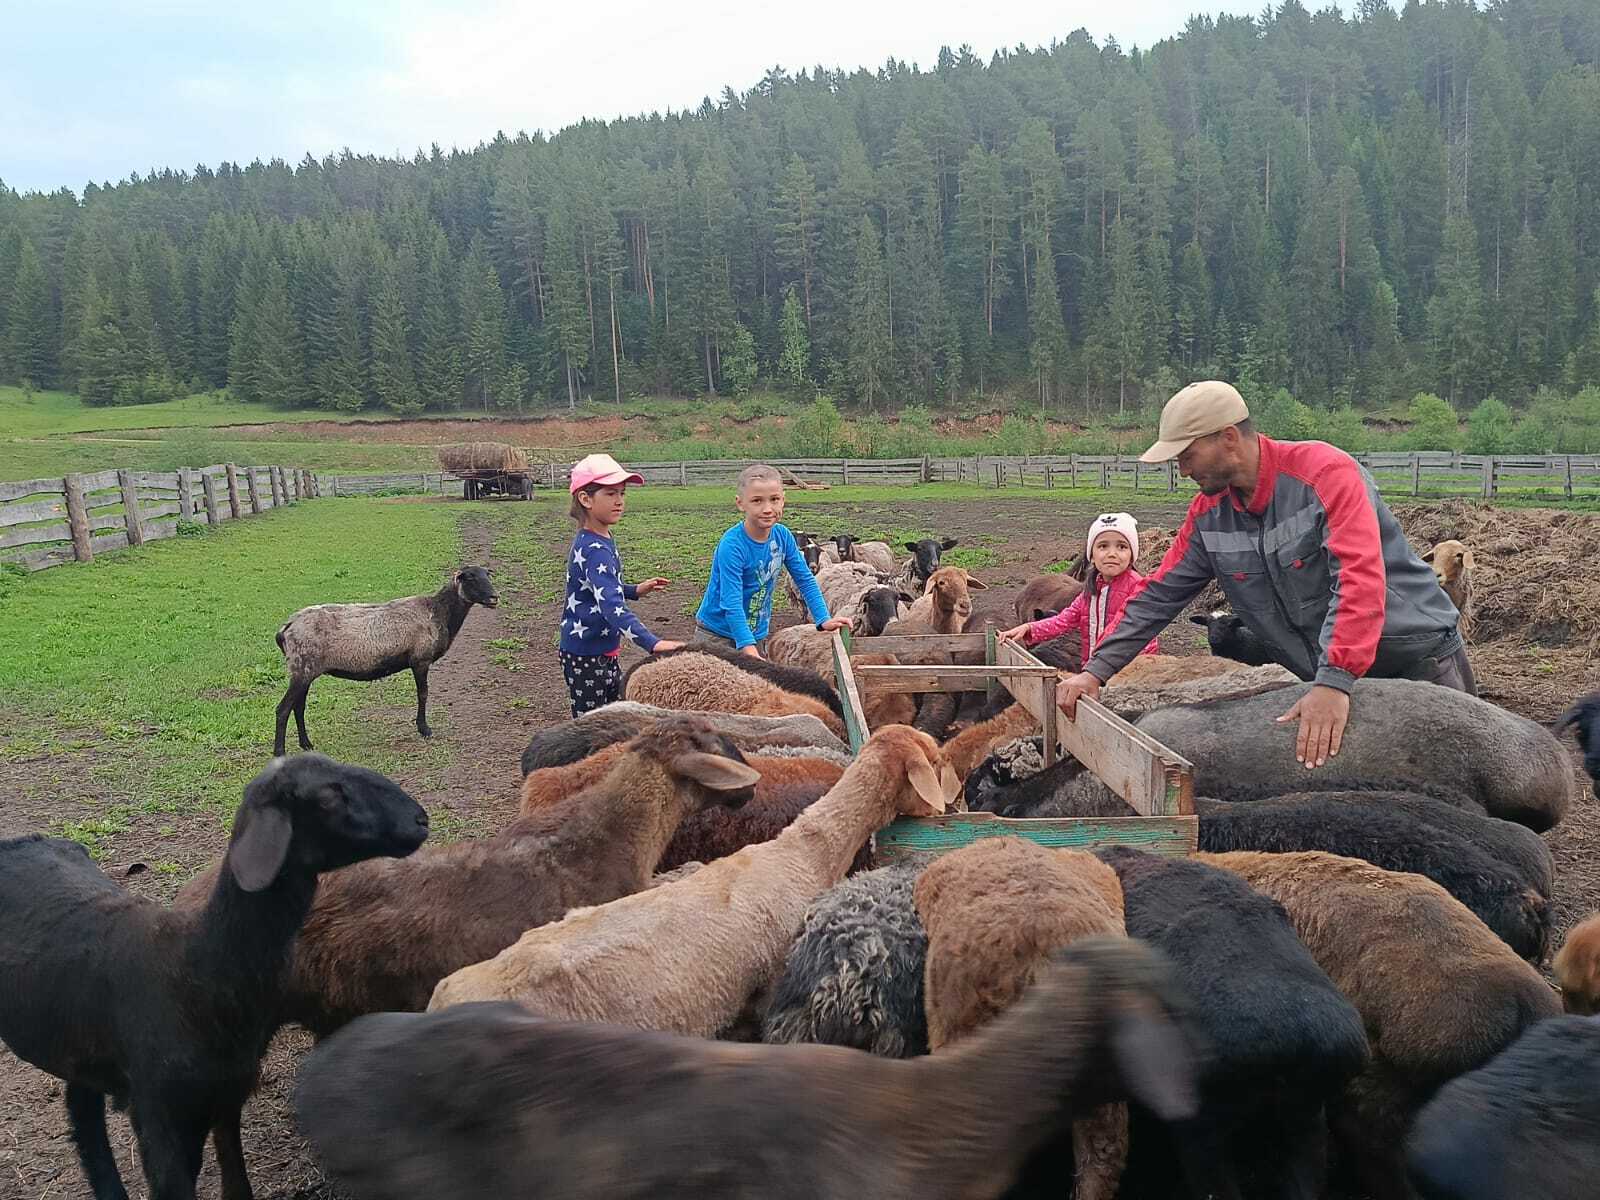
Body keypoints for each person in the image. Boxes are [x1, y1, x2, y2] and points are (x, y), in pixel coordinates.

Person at [1055, 381, 1473, 770]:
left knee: (1458, 799)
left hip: (1415, 662)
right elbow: (1157, 596)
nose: (1182, 469)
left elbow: (1357, 581)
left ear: (1228, 438)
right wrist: (1095, 671)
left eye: (1186, 455)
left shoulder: (1325, 476)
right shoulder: (1209, 517)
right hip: (1330, 677)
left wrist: (1333, 681)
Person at [560, 453, 682, 717]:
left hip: (601, 648)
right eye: (611, 493)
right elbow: (611, 605)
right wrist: (653, 643)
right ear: (585, 498)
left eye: (622, 493)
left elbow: (600, 587)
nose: (620, 501)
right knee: (592, 723)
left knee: (611, 713)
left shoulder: (599, 537)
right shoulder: (594, 548)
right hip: (586, 655)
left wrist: (634, 590)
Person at [694, 464, 850, 657]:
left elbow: (805, 579)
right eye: (757, 501)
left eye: (774, 499)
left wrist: (823, 618)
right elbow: (731, 601)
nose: (768, 509)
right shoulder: (732, 546)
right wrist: (746, 645)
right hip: (717, 634)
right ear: (740, 503)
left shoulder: (782, 536)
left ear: (783, 500)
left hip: (755, 633)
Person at [997, 512, 1161, 666]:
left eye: (1122, 547)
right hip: (1098, 669)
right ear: (1092, 556)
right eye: (1103, 546)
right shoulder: (1091, 592)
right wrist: (1028, 628)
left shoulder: (1138, 590)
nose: (1112, 553)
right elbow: (1063, 620)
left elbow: (1142, 639)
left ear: (1132, 555)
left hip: (1129, 672)